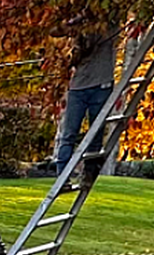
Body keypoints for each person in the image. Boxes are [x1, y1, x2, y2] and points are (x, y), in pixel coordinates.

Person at [52, 22, 121, 175]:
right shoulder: (79, 30)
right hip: (79, 86)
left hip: (101, 84)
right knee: (69, 133)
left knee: (95, 131)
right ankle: (62, 173)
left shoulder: (108, 24)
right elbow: (55, 31)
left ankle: (89, 170)